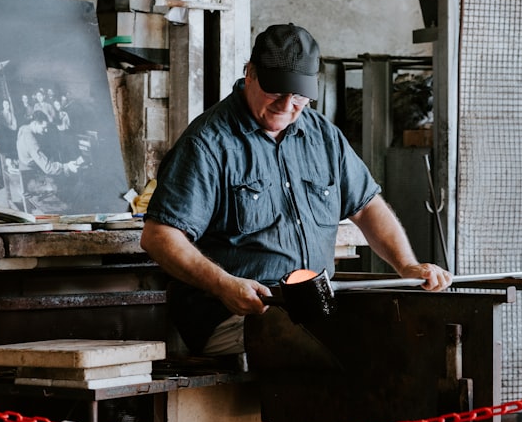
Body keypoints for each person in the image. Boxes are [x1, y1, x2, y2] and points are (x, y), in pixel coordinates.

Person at [140, 24, 454, 358]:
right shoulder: (208, 144)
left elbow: (366, 206)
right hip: (237, 315)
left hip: (315, 309)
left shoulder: (321, 135)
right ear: (250, 74)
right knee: (346, 353)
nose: (287, 106)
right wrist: (224, 284)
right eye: (276, 91)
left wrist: (407, 266)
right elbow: (159, 237)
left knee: (410, 336)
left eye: (300, 96)